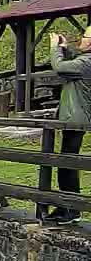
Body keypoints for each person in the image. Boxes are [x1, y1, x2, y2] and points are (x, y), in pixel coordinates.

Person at [46, 32, 91, 223]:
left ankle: (72, 209)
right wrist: (65, 48)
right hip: (73, 118)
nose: (81, 39)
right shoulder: (84, 61)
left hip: (76, 119)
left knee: (68, 165)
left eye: (85, 36)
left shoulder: (86, 63)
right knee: (65, 165)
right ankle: (66, 205)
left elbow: (60, 67)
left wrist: (55, 48)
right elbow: (72, 61)